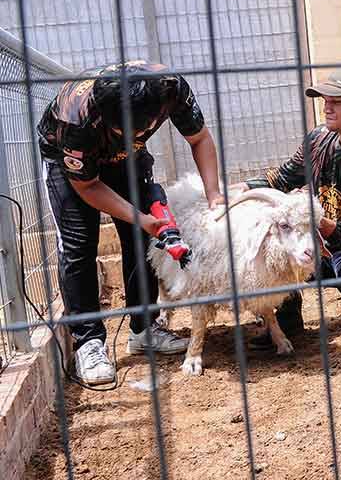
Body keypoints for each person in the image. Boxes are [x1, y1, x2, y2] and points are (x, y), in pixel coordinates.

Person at [38, 60, 224, 384]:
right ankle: (89, 343)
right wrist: (140, 217)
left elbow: (200, 139)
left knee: (142, 241)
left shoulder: (170, 87)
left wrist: (214, 195)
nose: (132, 135)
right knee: (79, 245)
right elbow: (88, 185)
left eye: (139, 129)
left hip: (129, 160)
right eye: (121, 130)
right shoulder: (75, 117)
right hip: (71, 166)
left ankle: (144, 328)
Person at [235, 66, 341, 343]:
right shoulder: (317, 139)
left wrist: (315, 220)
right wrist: (244, 187)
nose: (327, 108)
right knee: (274, 251)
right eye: (325, 101)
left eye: (337, 101)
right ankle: (288, 319)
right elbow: (285, 176)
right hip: (314, 244)